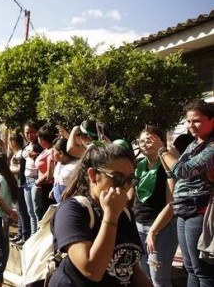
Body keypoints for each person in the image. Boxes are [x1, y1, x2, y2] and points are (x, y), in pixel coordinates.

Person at [50, 142, 152, 286]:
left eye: (129, 179)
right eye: (117, 178)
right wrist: (111, 216)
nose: (125, 186)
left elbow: (131, 267)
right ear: (93, 175)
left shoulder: (125, 213)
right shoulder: (72, 210)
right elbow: (92, 270)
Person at [159, 100, 214, 286]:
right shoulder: (193, 144)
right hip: (183, 210)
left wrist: (162, 149)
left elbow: (184, 171)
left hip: (198, 211)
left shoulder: (212, 147)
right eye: (188, 121)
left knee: (202, 270)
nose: (191, 126)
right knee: (189, 267)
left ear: (212, 120)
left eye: (196, 121)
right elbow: (175, 171)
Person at [130, 125, 177, 286]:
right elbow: (131, 196)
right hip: (138, 225)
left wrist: (153, 231)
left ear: (160, 142)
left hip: (161, 229)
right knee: (143, 276)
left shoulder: (168, 166)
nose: (144, 144)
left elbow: (172, 204)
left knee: (159, 279)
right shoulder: (138, 164)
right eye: (141, 141)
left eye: (149, 140)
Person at [0, 154, 19, 287]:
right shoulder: (8, 179)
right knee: (3, 249)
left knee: (2, 249)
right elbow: (1, 200)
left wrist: (9, 213)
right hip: (1, 217)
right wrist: (11, 212)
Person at [9, 129, 30, 244]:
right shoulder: (17, 153)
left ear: (14, 142)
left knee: (22, 211)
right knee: (19, 210)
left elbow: (19, 169)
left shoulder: (21, 153)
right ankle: (20, 233)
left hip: (21, 183)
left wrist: (10, 169)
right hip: (17, 184)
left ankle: (24, 235)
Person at [22, 120, 43, 235]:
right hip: (27, 181)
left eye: (32, 132)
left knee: (37, 212)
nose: (29, 135)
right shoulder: (27, 146)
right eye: (27, 132)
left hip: (36, 179)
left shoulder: (40, 145)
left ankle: (36, 239)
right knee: (30, 212)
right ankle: (32, 237)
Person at [51, 138, 78, 203]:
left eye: (54, 152)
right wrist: (53, 190)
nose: (52, 154)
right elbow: (57, 180)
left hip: (70, 201)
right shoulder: (59, 164)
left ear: (61, 153)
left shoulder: (75, 165)